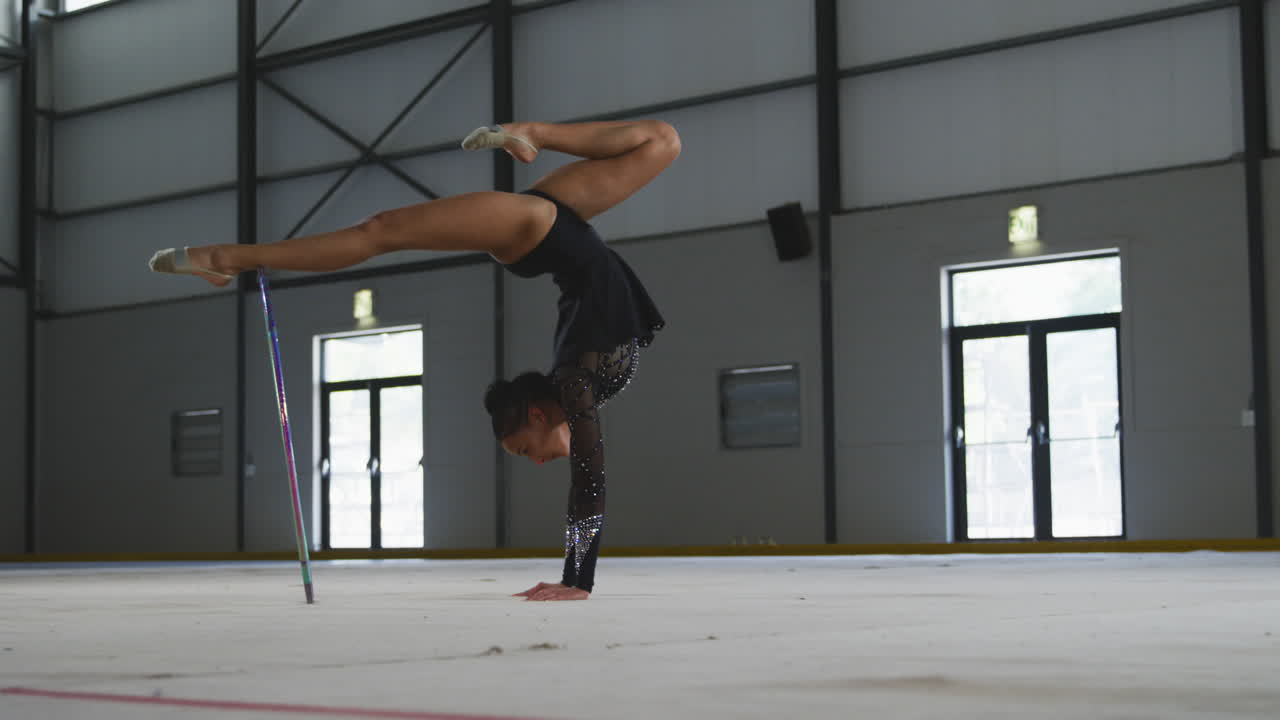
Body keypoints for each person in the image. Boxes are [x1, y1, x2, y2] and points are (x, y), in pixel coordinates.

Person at [149, 119, 681, 601]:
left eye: (525, 453)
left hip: (543, 232)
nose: (537, 461)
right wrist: (576, 583)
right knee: (660, 141)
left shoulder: (573, 384)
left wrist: (573, 579)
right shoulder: (575, 387)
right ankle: (225, 259)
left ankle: (226, 258)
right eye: (526, 450)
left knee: (381, 231)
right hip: (549, 228)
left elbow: (587, 475)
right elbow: (590, 479)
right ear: (538, 415)